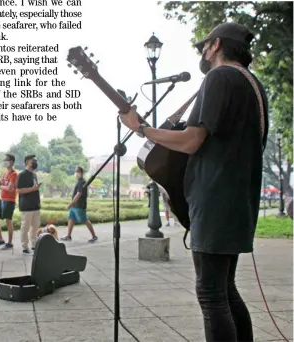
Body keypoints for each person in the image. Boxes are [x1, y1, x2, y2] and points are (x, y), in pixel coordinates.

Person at [119, 22, 268, 342]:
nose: (202, 51)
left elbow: (191, 141)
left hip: (215, 201)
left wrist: (141, 129)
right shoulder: (253, 85)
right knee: (225, 290)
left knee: (211, 294)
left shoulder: (219, 77)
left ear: (215, 45)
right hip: (238, 201)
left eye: (205, 45)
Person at [60, 167, 97, 242]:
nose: (76, 173)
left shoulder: (82, 182)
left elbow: (79, 194)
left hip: (79, 205)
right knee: (71, 219)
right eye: (75, 171)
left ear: (81, 173)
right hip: (74, 205)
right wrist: (72, 204)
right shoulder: (79, 181)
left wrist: (71, 204)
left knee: (84, 220)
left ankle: (94, 236)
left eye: (77, 172)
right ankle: (68, 236)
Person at [0, 154, 18, 250]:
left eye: (6, 160)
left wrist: (0, 186)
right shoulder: (6, 172)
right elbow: (2, 183)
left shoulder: (14, 174)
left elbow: (10, 188)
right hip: (2, 199)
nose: (5, 161)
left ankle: (10, 243)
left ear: (11, 161)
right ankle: (1, 239)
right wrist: (0, 184)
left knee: (8, 221)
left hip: (10, 200)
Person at [17, 154, 41, 255]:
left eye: (35, 161)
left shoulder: (34, 175)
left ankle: (34, 244)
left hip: (36, 205)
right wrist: (33, 189)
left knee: (35, 227)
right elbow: (19, 190)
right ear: (27, 162)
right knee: (25, 227)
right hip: (26, 206)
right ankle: (25, 246)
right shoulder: (22, 175)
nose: (35, 162)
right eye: (33, 161)